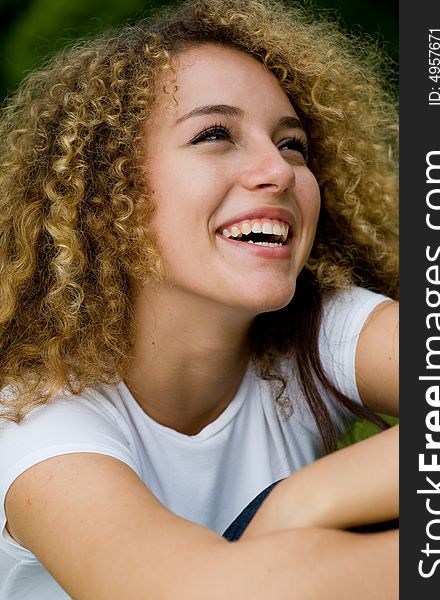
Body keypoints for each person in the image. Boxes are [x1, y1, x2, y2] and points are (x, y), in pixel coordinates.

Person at [0, 0, 399, 597]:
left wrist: (302, 502)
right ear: (109, 196)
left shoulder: (318, 330)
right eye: (215, 135)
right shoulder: (34, 419)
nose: (279, 171)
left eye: (294, 145)